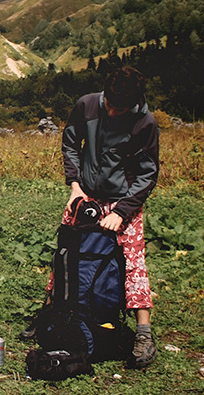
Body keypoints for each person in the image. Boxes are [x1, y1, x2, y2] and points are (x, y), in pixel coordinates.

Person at [24, 66, 161, 368]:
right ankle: (49, 314)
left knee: (132, 262)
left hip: (122, 200)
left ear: (135, 102)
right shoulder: (86, 105)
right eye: (110, 104)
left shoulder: (145, 123)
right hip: (84, 195)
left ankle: (143, 333)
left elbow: (147, 173)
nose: (112, 112)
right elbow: (71, 143)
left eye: (120, 108)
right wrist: (75, 186)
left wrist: (123, 211)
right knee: (65, 254)